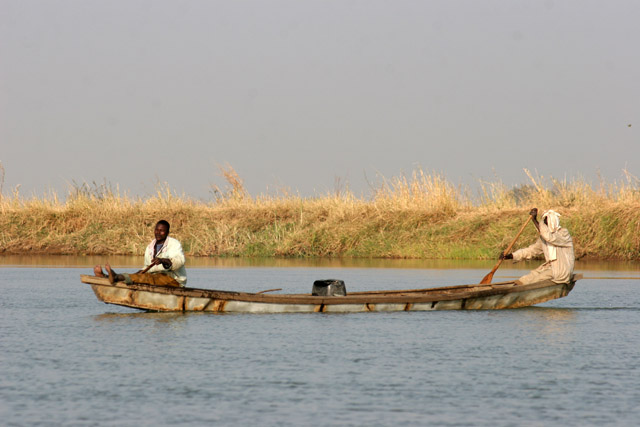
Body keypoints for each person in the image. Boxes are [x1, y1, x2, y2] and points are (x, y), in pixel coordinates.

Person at [94, 220, 187, 287]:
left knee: (147, 278)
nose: (158, 233)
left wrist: (163, 260)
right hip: (155, 278)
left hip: (174, 280)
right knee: (140, 276)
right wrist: (136, 275)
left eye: (162, 231)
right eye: (156, 230)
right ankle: (109, 277)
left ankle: (116, 277)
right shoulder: (150, 247)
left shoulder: (174, 244)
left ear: (167, 233)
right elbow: (146, 268)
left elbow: (180, 261)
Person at [500, 208, 574, 285]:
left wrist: (534, 220)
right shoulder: (544, 238)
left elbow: (549, 237)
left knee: (534, 281)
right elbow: (531, 251)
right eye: (544, 225)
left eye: (546, 224)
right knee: (524, 279)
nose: (544, 227)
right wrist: (511, 256)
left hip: (561, 270)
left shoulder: (563, 234)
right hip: (549, 268)